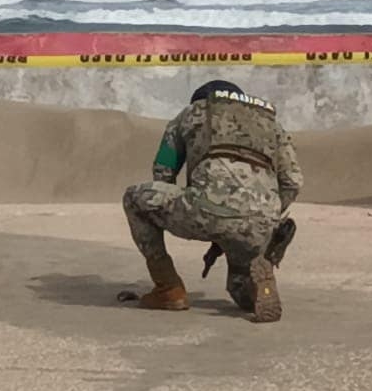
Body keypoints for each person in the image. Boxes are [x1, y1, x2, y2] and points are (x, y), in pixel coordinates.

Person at [121, 79, 302, 323]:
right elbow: (293, 181)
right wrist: (262, 217)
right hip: (262, 221)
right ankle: (259, 274)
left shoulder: (190, 113)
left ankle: (168, 288)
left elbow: (163, 171)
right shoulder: (272, 125)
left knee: (134, 199)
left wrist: (195, 212)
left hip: (207, 207)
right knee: (241, 292)